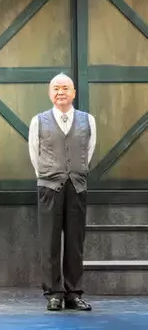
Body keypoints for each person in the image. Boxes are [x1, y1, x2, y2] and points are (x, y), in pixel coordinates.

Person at [28, 73, 96, 311]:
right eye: (56, 88)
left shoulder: (88, 120)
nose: (60, 92)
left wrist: (75, 171)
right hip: (49, 187)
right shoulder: (39, 121)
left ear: (74, 93)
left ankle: (73, 293)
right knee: (49, 242)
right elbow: (34, 153)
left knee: (75, 242)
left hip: (77, 186)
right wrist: (49, 174)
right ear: (50, 94)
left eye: (65, 88)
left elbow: (88, 151)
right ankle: (54, 293)